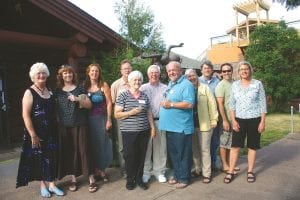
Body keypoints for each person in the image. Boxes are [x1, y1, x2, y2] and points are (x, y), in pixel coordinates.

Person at [16, 62, 64, 197]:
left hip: (52, 131)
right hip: (37, 133)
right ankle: (43, 185)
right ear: (33, 76)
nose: (41, 75)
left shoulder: (50, 91)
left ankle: (52, 185)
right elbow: (25, 115)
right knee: (40, 159)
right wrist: (33, 134)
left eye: (43, 73)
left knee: (52, 157)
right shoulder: (29, 92)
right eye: (38, 73)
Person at [56, 65, 97, 193]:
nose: (68, 75)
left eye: (70, 73)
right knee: (71, 152)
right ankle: (74, 179)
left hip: (80, 124)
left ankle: (91, 179)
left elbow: (89, 105)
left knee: (84, 151)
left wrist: (77, 98)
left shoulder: (80, 88)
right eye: (65, 73)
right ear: (61, 76)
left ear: (73, 75)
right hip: (65, 127)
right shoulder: (57, 91)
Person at [224, 61, 267, 184]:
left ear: (250, 70)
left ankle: (250, 171)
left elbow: (262, 104)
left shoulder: (258, 84)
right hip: (239, 120)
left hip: (255, 120)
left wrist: (262, 122)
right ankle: (231, 171)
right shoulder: (235, 85)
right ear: (238, 72)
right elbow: (231, 104)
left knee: (252, 146)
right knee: (235, 147)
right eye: (241, 69)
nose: (244, 71)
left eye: (246, 69)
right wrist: (233, 121)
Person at [114, 70, 156, 190]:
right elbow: (116, 114)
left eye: (139, 80)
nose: (137, 82)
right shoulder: (123, 95)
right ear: (130, 82)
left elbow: (148, 112)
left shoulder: (144, 96)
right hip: (129, 132)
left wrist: (152, 127)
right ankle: (130, 180)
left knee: (141, 156)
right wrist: (130, 112)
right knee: (129, 156)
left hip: (144, 131)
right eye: (134, 80)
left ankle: (139, 179)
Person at [159, 61, 195, 189]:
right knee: (174, 154)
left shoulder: (186, 85)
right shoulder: (171, 84)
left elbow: (189, 104)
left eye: (174, 70)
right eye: (169, 71)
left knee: (183, 154)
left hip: (181, 127)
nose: (171, 73)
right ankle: (177, 174)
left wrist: (171, 105)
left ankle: (184, 179)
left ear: (180, 71)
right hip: (170, 127)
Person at [185, 69, 218, 184]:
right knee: (195, 150)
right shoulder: (186, 89)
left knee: (205, 150)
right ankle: (198, 170)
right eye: (188, 77)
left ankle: (207, 173)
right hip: (190, 125)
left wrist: (214, 119)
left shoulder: (205, 88)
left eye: (193, 75)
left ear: (197, 76)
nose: (191, 78)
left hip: (204, 124)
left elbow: (212, 104)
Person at [84, 63, 113, 182]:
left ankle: (102, 170)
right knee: (92, 146)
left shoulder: (103, 85)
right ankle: (94, 170)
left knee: (102, 144)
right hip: (88, 121)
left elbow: (110, 103)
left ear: (99, 73)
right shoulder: (84, 87)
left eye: (96, 71)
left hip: (101, 119)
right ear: (88, 72)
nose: (94, 73)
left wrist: (109, 119)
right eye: (92, 71)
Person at [140, 65, 168, 183]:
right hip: (146, 121)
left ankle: (159, 171)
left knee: (161, 147)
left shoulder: (166, 88)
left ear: (159, 74)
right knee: (147, 148)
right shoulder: (142, 88)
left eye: (156, 72)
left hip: (161, 120)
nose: (154, 74)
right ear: (148, 75)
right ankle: (146, 172)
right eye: (151, 73)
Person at [215, 63, 240, 173]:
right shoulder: (221, 85)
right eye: (224, 71)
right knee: (224, 143)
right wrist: (224, 120)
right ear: (221, 73)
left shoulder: (235, 83)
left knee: (232, 143)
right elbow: (220, 104)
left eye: (228, 70)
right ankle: (224, 165)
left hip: (235, 118)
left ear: (232, 71)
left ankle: (231, 164)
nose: (226, 73)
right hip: (226, 120)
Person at [111, 59, 132, 176]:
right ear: (121, 71)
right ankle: (124, 169)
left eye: (129, 68)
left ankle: (134, 167)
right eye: (125, 69)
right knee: (122, 145)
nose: (127, 70)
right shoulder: (116, 85)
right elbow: (113, 102)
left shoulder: (136, 81)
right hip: (121, 119)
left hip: (135, 119)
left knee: (134, 143)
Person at [199, 60, 220, 171]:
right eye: (205, 68)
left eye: (209, 68)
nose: (207, 70)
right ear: (201, 70)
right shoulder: (197, 81)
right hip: (202, 117)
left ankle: (213, 161)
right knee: (203, 143)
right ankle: (203, 165)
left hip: (214, 116)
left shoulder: (217, 81)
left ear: (212, 70)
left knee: (215, 140)